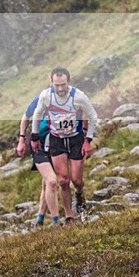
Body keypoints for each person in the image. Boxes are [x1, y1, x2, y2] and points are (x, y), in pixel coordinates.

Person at [30, 67, 98, 223]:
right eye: (56, 85)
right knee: (63, 180)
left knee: (77, 180)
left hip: (75, 139)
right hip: (56, 139)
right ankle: (69, 216)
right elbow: (37, 115)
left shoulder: (79, 96)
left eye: (63, 85)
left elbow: (93, 116)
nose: (60, 89)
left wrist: (88, 140)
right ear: (51, 82)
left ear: (69, 82)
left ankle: (79, 195)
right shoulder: (46, 96)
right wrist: (34, 137)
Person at [17, 90, 84, 226]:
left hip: (55, 145)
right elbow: (25, 117)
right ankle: (56, 220)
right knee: (52, 181)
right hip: (39, 145)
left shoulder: (71, 100)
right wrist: (21, 139)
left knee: (47, 183)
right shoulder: (41, 99)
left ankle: (40, 218)